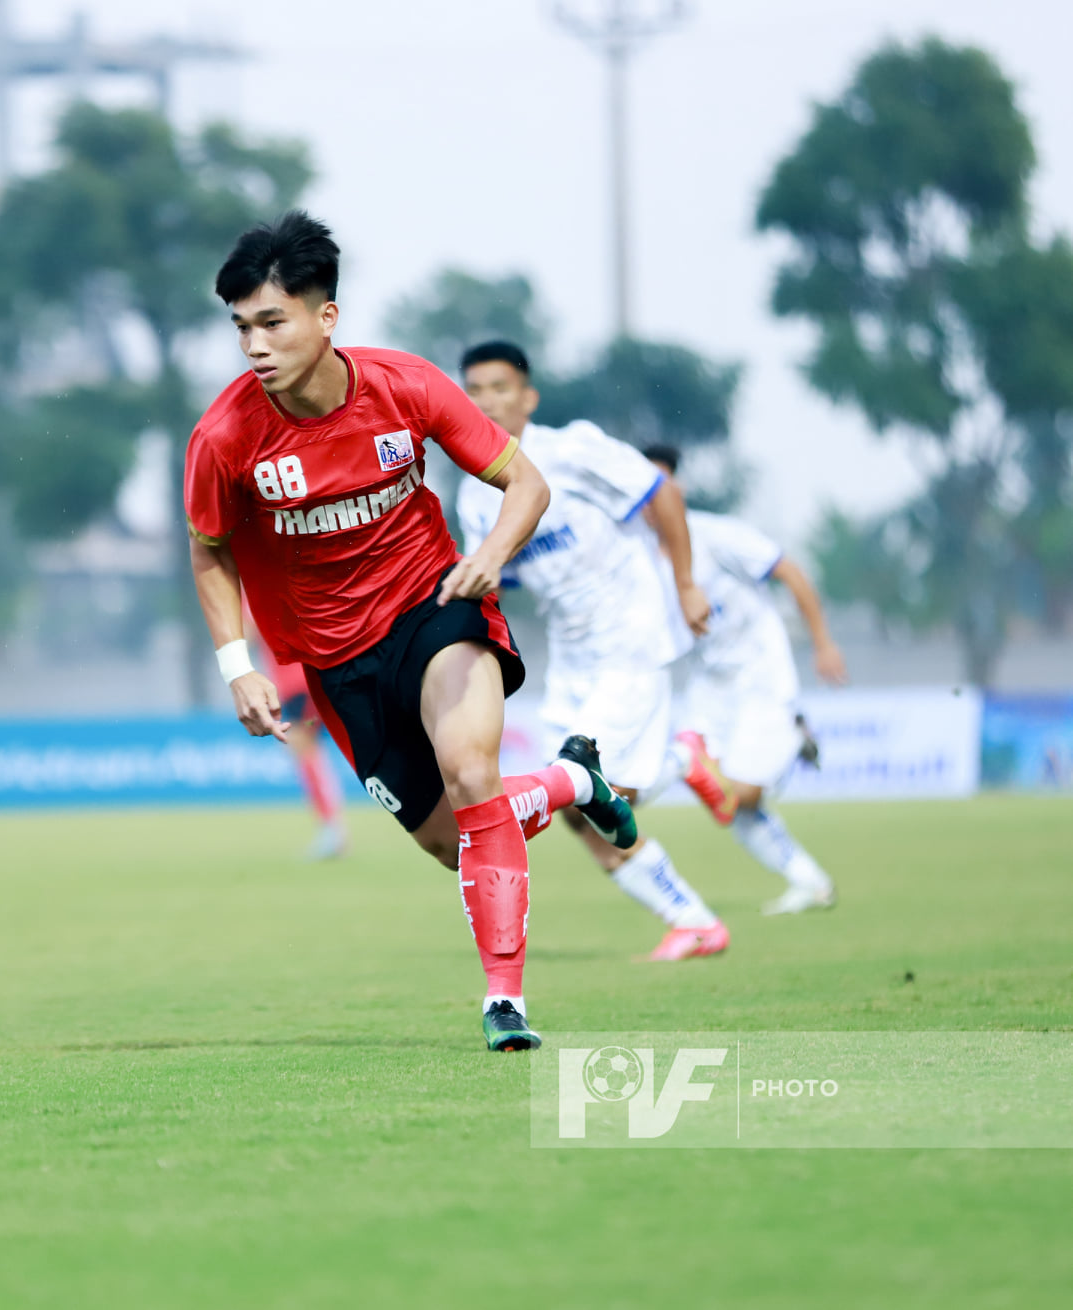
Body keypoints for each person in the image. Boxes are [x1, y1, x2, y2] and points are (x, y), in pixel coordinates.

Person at [185, 212, 638, 1052]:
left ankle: (505, 1002)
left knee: (472, 773)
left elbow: (526, 484)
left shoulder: (408, 386)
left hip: (436, 609)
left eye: (272, 321)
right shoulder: (224, 438)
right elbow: (209, 549)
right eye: (241, 326)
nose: (254, 344)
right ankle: (574, 783)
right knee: (450, 845)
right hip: (335, 662)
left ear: (326, 319)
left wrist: (492, 557)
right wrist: (235, 665)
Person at [457, 341, 732, 962]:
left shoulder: (572, 449)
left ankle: (678, 763)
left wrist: (686, 583)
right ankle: (693, 919)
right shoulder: (474, 492)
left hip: (630, 633)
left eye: (500, 387)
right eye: (474, 389)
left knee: (578, 782)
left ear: (528, 396)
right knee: (587, 812)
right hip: (572, 654)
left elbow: (663, 493)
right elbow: (491, 582)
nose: (487, 400)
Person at [641, 445, 843, 914]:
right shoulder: (640, 561)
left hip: (761, 677)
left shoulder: (718, 536)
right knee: (729, 805)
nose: (650, 500)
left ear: (678, 491)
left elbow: (790, 572)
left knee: (742, 791)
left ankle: (792, 735)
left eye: (659, 488)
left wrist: (823, 643)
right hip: (708, 686)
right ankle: (811, 882)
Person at [250, 624, 347, 860]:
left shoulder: (247, 595)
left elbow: (248, 631)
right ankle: (332, 829)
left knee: (303, 749)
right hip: (292, 683)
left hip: (300, 682)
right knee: (304, 750)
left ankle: (333, 831)